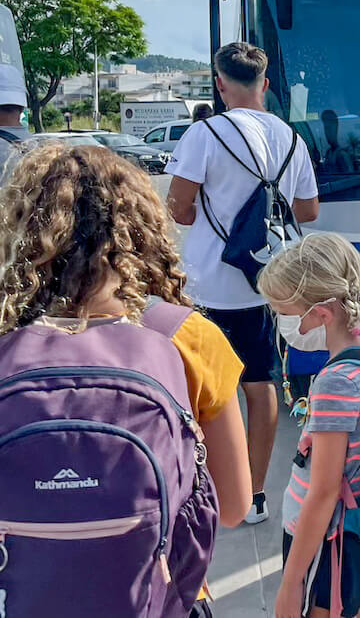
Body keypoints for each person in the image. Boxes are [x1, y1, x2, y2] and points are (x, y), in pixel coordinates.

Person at [0, 144, 252, 617]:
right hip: (158, 598)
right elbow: (235, 505)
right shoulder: (185, 337)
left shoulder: (3, 339)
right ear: (140, 230)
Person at [166, 41, 320, 526]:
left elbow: (178, 207)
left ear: (220, 84)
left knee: (206, 388)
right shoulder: (290, 137)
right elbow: (308, 211)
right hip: (266, 284)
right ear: (266, 84)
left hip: (210, 284)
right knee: (261, 385)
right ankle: (254, 494)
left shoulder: (204, 134)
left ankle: (209, 486)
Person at [259, 233, 360, 618]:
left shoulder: (337, 383)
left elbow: (324, 490)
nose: (283, 323)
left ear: (322, 314)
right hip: (356, 528)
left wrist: (291, 582)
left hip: (325, 537)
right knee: (357, 596)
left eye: (285, 311)